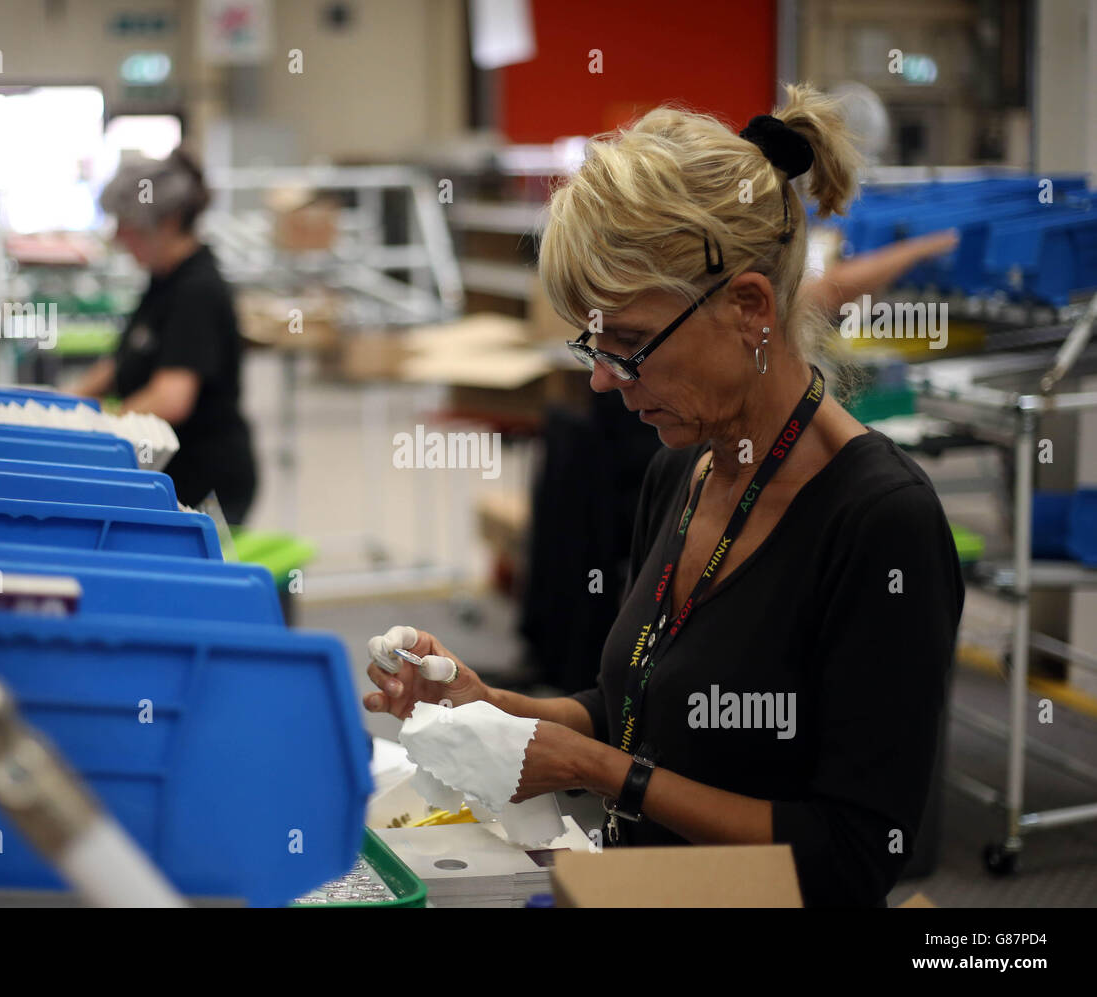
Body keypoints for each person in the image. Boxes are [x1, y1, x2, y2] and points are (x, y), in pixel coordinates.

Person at [362, 84, 965, 907]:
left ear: (749, 308)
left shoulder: (879, 523)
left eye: (633, 344)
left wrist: (599, 770)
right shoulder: (684, 470)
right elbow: (637, 708)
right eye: (594, 345)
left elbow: (854, 855)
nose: (606, 380)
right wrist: (493, 705)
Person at [70, 151, 256, 524]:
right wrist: (63, 408)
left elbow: (170, 398)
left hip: (203, 483)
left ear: (169, 223)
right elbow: (119, 364)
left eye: (129, 226)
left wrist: (97, 433)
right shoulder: (163, 280)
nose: (119, 237)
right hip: (170, 474)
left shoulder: (198, 291)